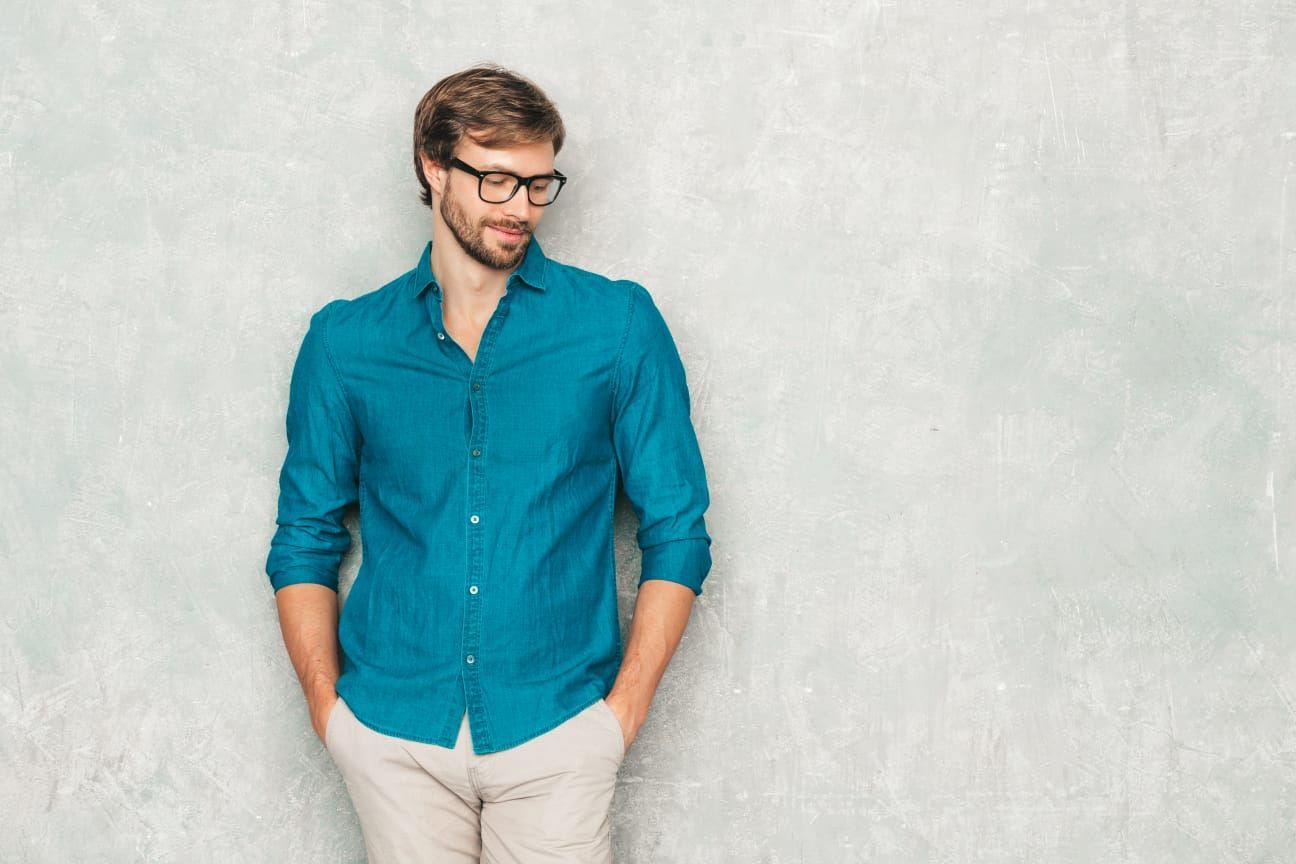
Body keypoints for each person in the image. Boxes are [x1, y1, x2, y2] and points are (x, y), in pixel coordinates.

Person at [264, 63, 714, 863]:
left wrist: (622, 715)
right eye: (498, 181)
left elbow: (677, 527)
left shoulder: (615, 325)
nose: (523, 210)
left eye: (541, 186)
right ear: (433, 169)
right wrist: (327, 710)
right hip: (393, 733)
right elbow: (304, 533)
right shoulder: (345, 343)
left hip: (559, 728)